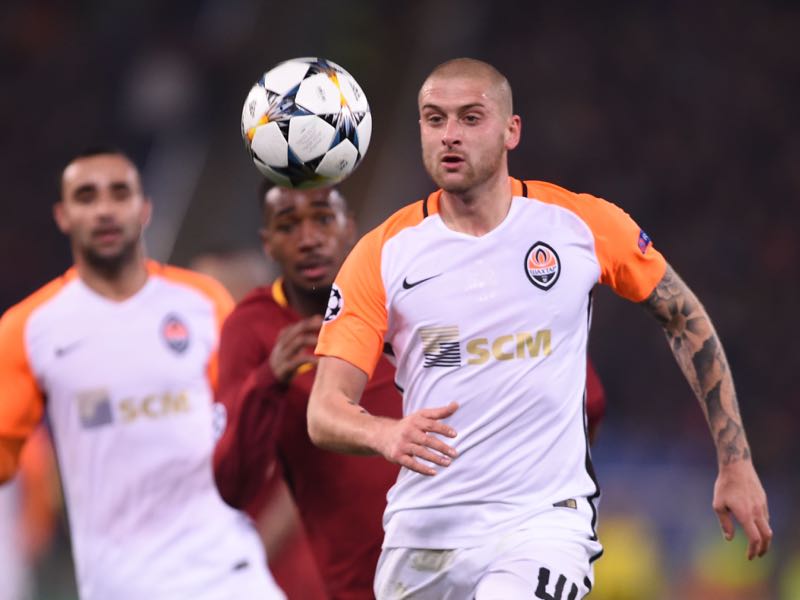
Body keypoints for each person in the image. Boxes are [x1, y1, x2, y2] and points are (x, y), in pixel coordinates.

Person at [307, 58, 771, 599]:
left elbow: (684, 317)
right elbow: (325, 411)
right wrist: (384, 432)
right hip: (423, 533)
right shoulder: (382, 255)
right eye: (434, 120)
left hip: (541, 526)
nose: (450, 135)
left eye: (470, 118)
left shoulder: (579, 225)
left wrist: (735, 462)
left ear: (511, 130)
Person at [0, 148, 284, 600]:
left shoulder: (203, 301)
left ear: (144, 208)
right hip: (122, 582)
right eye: (86, 196)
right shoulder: (28, 328)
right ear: (62, 215)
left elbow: (241, 422)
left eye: (120, 193)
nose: (105, 209)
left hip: (226, 566)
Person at [212, 183, 402, 599]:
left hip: (463, 557)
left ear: (349, 227)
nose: (309, 239)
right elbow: (233, 486)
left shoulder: (405, 294)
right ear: (268, 245)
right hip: (356, 586)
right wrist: (267, 382)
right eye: (288, 225)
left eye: (322, 218)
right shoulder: (254, 328)